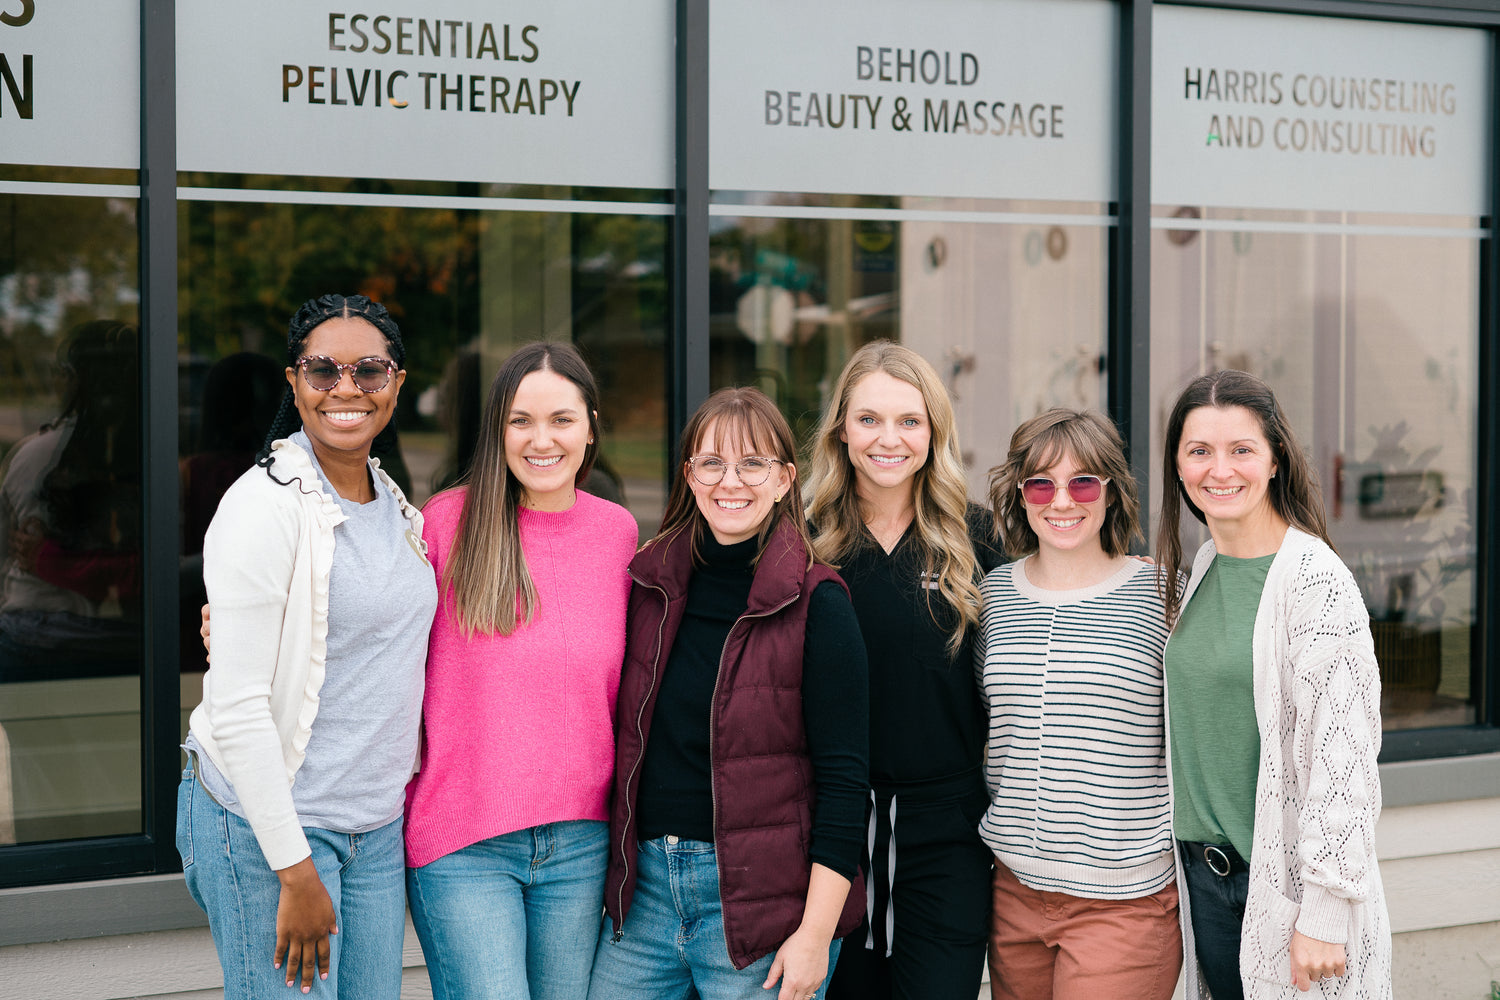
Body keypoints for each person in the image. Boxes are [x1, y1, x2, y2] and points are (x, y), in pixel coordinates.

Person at [178, 293, 436, 997]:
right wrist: (292, 866)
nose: (346, 389)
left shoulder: (392, 503)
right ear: (294, 383)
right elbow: (234, 708)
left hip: (375, 826)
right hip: (274, 823)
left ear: (397, 384)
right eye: (323, 371)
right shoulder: (263, 505)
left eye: (369, 371)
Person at [591, 386, 869, 1000]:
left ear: (784, 479)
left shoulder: (818, 602)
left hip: (762, 910)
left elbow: (847, 787)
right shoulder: (648, 588)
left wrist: (816, 933)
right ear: (689, 475)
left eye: (753, 464)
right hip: (646, 899)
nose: (730, 481)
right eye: (711, 463)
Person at [403, 341, 638, 1000]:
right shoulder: (447, 523)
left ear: (590, 425)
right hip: (464, 842)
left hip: (581, 845)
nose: (542, 439)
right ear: (496, 431)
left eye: (561, 419)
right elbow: (372, 632)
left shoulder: (617, 534)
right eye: (520, 420)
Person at [1156, 369, 1391, 1000]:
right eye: (1199, 451)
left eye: (1241, 450)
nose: (1219, 470)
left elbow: (1345, 762)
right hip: (1202, 881)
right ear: (1178, 466)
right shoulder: (1200, 568)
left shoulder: (1315, 582)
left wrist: (1324, 913)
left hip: (1283, 888)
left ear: (1275, 460)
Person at [801, 340, 999, 1000]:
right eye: (869, 419)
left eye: (909, 421)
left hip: (948, 838)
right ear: (840, 430)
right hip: (825, 837)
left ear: (934, 432)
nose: (890, 439)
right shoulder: (801, 541)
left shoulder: (977, 540)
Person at [977, 408, 1180, 1000]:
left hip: (1123, 901)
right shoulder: (990, 595)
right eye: (1042, 483)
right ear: (1020, 494)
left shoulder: (1164, 593)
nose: (1062, 500)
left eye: (1083, 482)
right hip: (1013, 891)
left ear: (1111, 492)